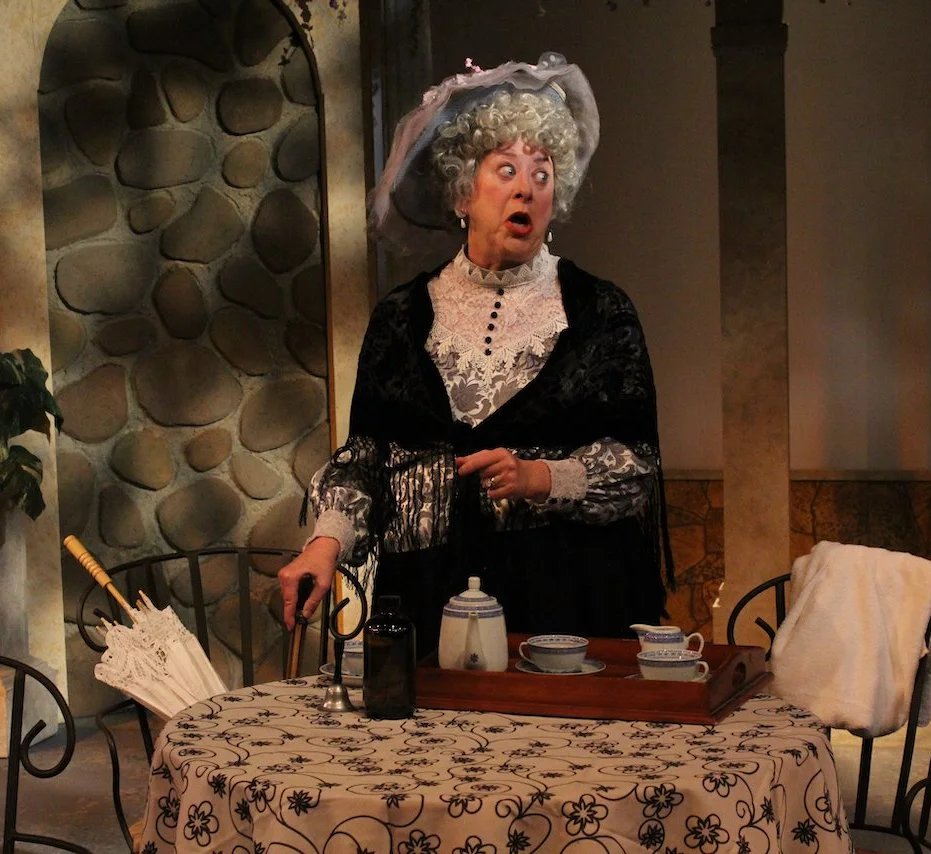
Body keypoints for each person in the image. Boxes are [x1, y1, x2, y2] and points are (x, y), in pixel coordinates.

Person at [278, 53, 672, 655]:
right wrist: (325, 540)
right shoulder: (403, 316)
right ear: (464, 193)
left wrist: (541, 476)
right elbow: (368, 455)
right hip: (432, 599)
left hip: (570, 600)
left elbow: (637, 463)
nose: (525, 187)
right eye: (506, 168)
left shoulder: (599, 311)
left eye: (542, 175)